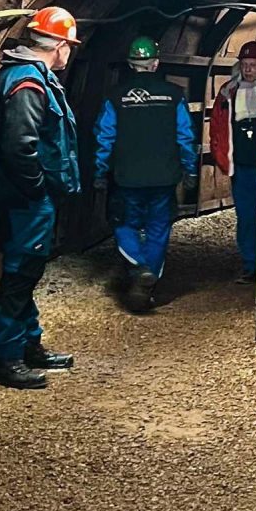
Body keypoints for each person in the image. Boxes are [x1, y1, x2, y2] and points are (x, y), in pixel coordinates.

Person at [0, 6, 82, 390]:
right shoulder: (28, 83)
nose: (70, 53)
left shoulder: (29, 76)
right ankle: (7, 356)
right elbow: (20, 147)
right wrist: (36, 191)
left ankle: (29, 343)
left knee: (27, 268)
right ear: (60, 45)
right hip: (25, 197)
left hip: (21, 194)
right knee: (22, 271)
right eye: (69, 45)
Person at [93, 37, 197, 311]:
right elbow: (185, 136)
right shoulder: (174, 95)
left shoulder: (115, 97)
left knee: (123, 224)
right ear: (156, 63)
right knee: (158, 228)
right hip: (164, 176)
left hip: (127, 177)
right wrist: (190, 169)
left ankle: (138, 268)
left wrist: (100, 171)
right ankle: (149, 282)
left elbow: (105, 137)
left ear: (130, 64)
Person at [209, 40, 256, 282]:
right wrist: (222, 159)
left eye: (254, 64)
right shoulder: (228, 93)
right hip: (242, 166)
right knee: (247, 215)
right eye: (245, 64)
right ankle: (251, 264)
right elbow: (217, 128)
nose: (249, 69)